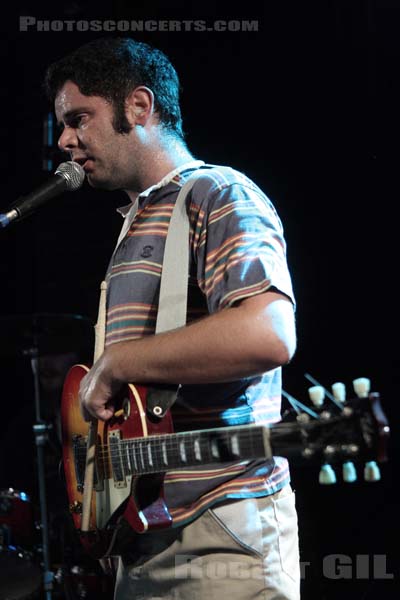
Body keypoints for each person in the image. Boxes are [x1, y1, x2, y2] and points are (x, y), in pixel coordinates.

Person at [45, 36, 300, 600]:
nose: (64, 140)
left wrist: (115, 363)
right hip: (141, 538)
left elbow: (268, 332)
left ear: (139, 106)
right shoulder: (135, 221)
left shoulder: (220, 192)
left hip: (220, 530)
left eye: (78, 118)